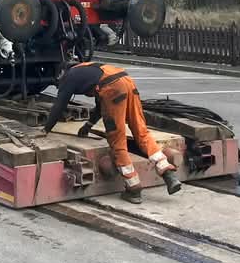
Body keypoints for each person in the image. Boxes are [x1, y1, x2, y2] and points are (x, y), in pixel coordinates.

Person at [42, 61, 181, 204]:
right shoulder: (89, 69)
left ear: (61, 73)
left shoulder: (68, 77)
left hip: (113, 89)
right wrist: (88, 125)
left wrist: (46, 129)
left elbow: (59, 105)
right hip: (127, 81)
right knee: (141, 132)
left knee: (117, 141)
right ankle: (167, 171)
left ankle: (133, 187)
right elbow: (100, 103)